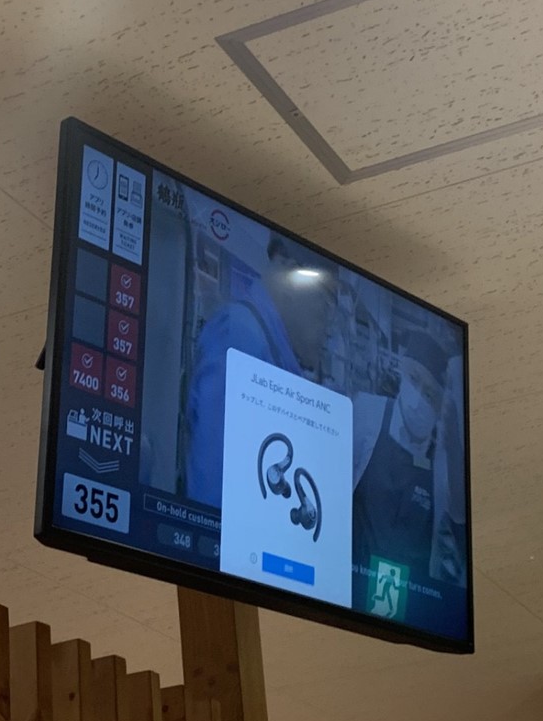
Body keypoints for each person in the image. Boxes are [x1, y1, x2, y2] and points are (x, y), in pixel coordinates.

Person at [185, 235, 337, 508]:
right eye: (328, 305)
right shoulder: (241, 338)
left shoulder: (270, 348)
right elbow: (216, 491)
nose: (330, 330)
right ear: (291, 275)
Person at [352, 329, 466, 585]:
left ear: (440, 407)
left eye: (430, 395)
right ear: (402, 374)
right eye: (414, 380)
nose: (419, 399)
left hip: (409, 596)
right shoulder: (366, 413)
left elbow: (458, 517)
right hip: (351, 582)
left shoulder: (441, 463)